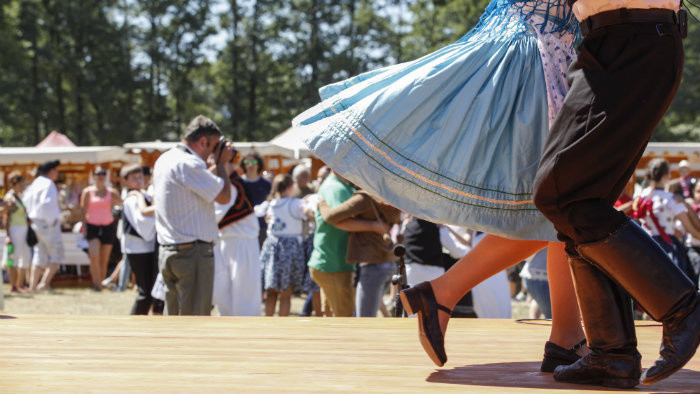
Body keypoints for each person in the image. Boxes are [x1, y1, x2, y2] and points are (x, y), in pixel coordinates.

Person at [292, 0, 587, 373]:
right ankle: (457, 296)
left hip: (530, 52)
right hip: (533, 60)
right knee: (560, 210)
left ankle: (563, 335)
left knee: (561, 212)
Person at [530, 0, 699, 387]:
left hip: (634, 41)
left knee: (559, 193)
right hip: (614, 44)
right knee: (578, 202)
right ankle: (611, 355)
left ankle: (682, 308)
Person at [153, 115, 234, 316]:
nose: (213, 152)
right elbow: (224, 196)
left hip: (169, 251)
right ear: (203, 141)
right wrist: (222, 163)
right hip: (192, 254)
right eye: (213, 145)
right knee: (195, 320)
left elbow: (200, 181)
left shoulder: (165, 159)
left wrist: (214, 161)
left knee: (174, 317)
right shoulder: (189, 163)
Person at [317, 189, 400, 317]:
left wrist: (320, 202)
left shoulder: (365, 197)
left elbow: (330, 216)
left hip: (373, 264)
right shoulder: (389, 194)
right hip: (388, 262)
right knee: (367, 316)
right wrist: (372, 225)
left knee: (364, 320)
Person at [631, 158, 700, 285]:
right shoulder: (671, 199)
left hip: (645, 246)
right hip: (667, 248)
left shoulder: (640, 197)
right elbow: (694, 231)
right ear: (664, 176)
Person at [257, 174, 314, 316]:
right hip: (290, 250)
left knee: (271, 293)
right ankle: (283, 326)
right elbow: (308, 213)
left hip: (272, 248)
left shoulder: (271, 204)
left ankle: (269, 322)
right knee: (286, 293)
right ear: (290, 187)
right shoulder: (295, 204)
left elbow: (258, 212)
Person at [213, 159, 262, 316]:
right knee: (225, 294)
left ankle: (245, 334)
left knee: (243, 295)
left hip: (242, 244)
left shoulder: (232, 186)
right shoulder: (227, 184)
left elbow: (211, 216)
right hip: (228, 243)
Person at [307, 171, 356, 317]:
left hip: (332, 263)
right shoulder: (335, 188)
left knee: (330, 319)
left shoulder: (341, 186)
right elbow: (336, 219)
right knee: (344, 320)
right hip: (333, 265)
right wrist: (375, 227)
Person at [120, 164, 163, 315]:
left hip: (148, 247)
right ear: (126, 181)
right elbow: (142, 223)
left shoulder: (144, 195)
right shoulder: (131, 200)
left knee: (152, 290)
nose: (138, 181)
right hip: (138, 248)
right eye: (134, 178)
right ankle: (136, 321)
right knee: (145, 291)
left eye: (140, 177)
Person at [23, 160, 64, 291]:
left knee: (39, 254)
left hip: (35, 222)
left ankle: (33, 285)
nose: (57, 173)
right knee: (57, 254)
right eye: (56, 170)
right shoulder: (48, 184)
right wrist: (51, 220)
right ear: (52, 171)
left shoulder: (35, 183)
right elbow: (46, 204)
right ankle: (43, 284)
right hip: (47, 223)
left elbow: (26, 201)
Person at [80, 166, 121, 291]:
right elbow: (83, 211)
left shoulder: (111, 192)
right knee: (94, 255)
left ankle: (101, 283)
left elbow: (121, 203)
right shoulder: (87, 191)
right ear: (93, 176)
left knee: (104, 258)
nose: (101, 176)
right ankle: (96, 284)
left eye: (103, 173)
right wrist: (84, 228)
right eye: (98, 174)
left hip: (108, 226)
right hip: (93, 226)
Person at [2, 172, 31, 292]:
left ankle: (20, 284)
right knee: (13, 257)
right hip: (15, 230)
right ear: (14, 185)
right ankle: (13, 285)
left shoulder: (20, 196)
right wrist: (8, 234)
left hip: (23, 229)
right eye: (21, 185)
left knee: (24, 257)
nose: (23, 187)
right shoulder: (10, 197)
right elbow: (6, 217)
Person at [240, 152, 271, 247]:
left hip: (261, 227)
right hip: (243, 227)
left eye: (253, 161)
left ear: (259, 164)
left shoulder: (266, 184)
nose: (250, 165)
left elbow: (270, 201)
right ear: (243, 164)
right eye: (247, 162)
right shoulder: (239, 183)